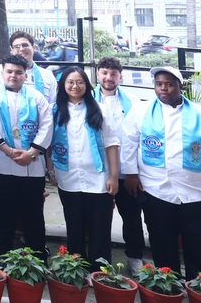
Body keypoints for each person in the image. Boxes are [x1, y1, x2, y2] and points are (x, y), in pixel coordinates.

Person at [120, 66, 201, 280]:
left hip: (199, 192)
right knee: (161, 241)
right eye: (159, 84)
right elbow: (128, 142)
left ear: (180, 86)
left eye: (169, 84)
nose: (163, 88)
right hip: (157, 189)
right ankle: (168, 285)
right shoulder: (141, 111)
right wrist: (130, 173)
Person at [46, 66, 120, 268]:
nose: (75, 86)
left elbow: (112, 143)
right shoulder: (54, 111)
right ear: (63, 85)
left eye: (80, 82)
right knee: (74, 226)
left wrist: (114, 176)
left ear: (86, 85)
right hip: (68, 178)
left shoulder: (99, 109)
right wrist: (50, 169)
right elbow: (48, 144)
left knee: (100, 229)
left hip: (98, 179)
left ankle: (99, 271)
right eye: (70, 82)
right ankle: (76, 269)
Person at [0, 54, 54, 259]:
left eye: (18, 72)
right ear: (2, 73)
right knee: (2, 215)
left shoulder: (37, 97)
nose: (13, 75)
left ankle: (37, 260)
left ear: (25, 75)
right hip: (2, 165)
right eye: (9, 71)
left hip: (32, 167)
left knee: (34, 215)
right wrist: (8, 150)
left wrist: (31, 153)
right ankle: (3, 257)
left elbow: (47, 125)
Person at [93, 56, 145, 274]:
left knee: (132, 216)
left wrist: (133, 171)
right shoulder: (88, 99)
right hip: (97, 171)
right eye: (104, 73)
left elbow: (139, 136)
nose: (109, 77)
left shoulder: (133, 101)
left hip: (126, 170)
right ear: (98, 74)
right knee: (98, 218)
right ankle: (98, 260)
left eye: (113, 74)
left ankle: (135, 257)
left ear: (120, 77)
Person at [0, 31, 58, 103]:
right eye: (17, 46)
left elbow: (53, 104)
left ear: (34, 48)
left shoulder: (47, 76)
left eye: (25, 45)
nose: (22, 49)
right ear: (12, 51)